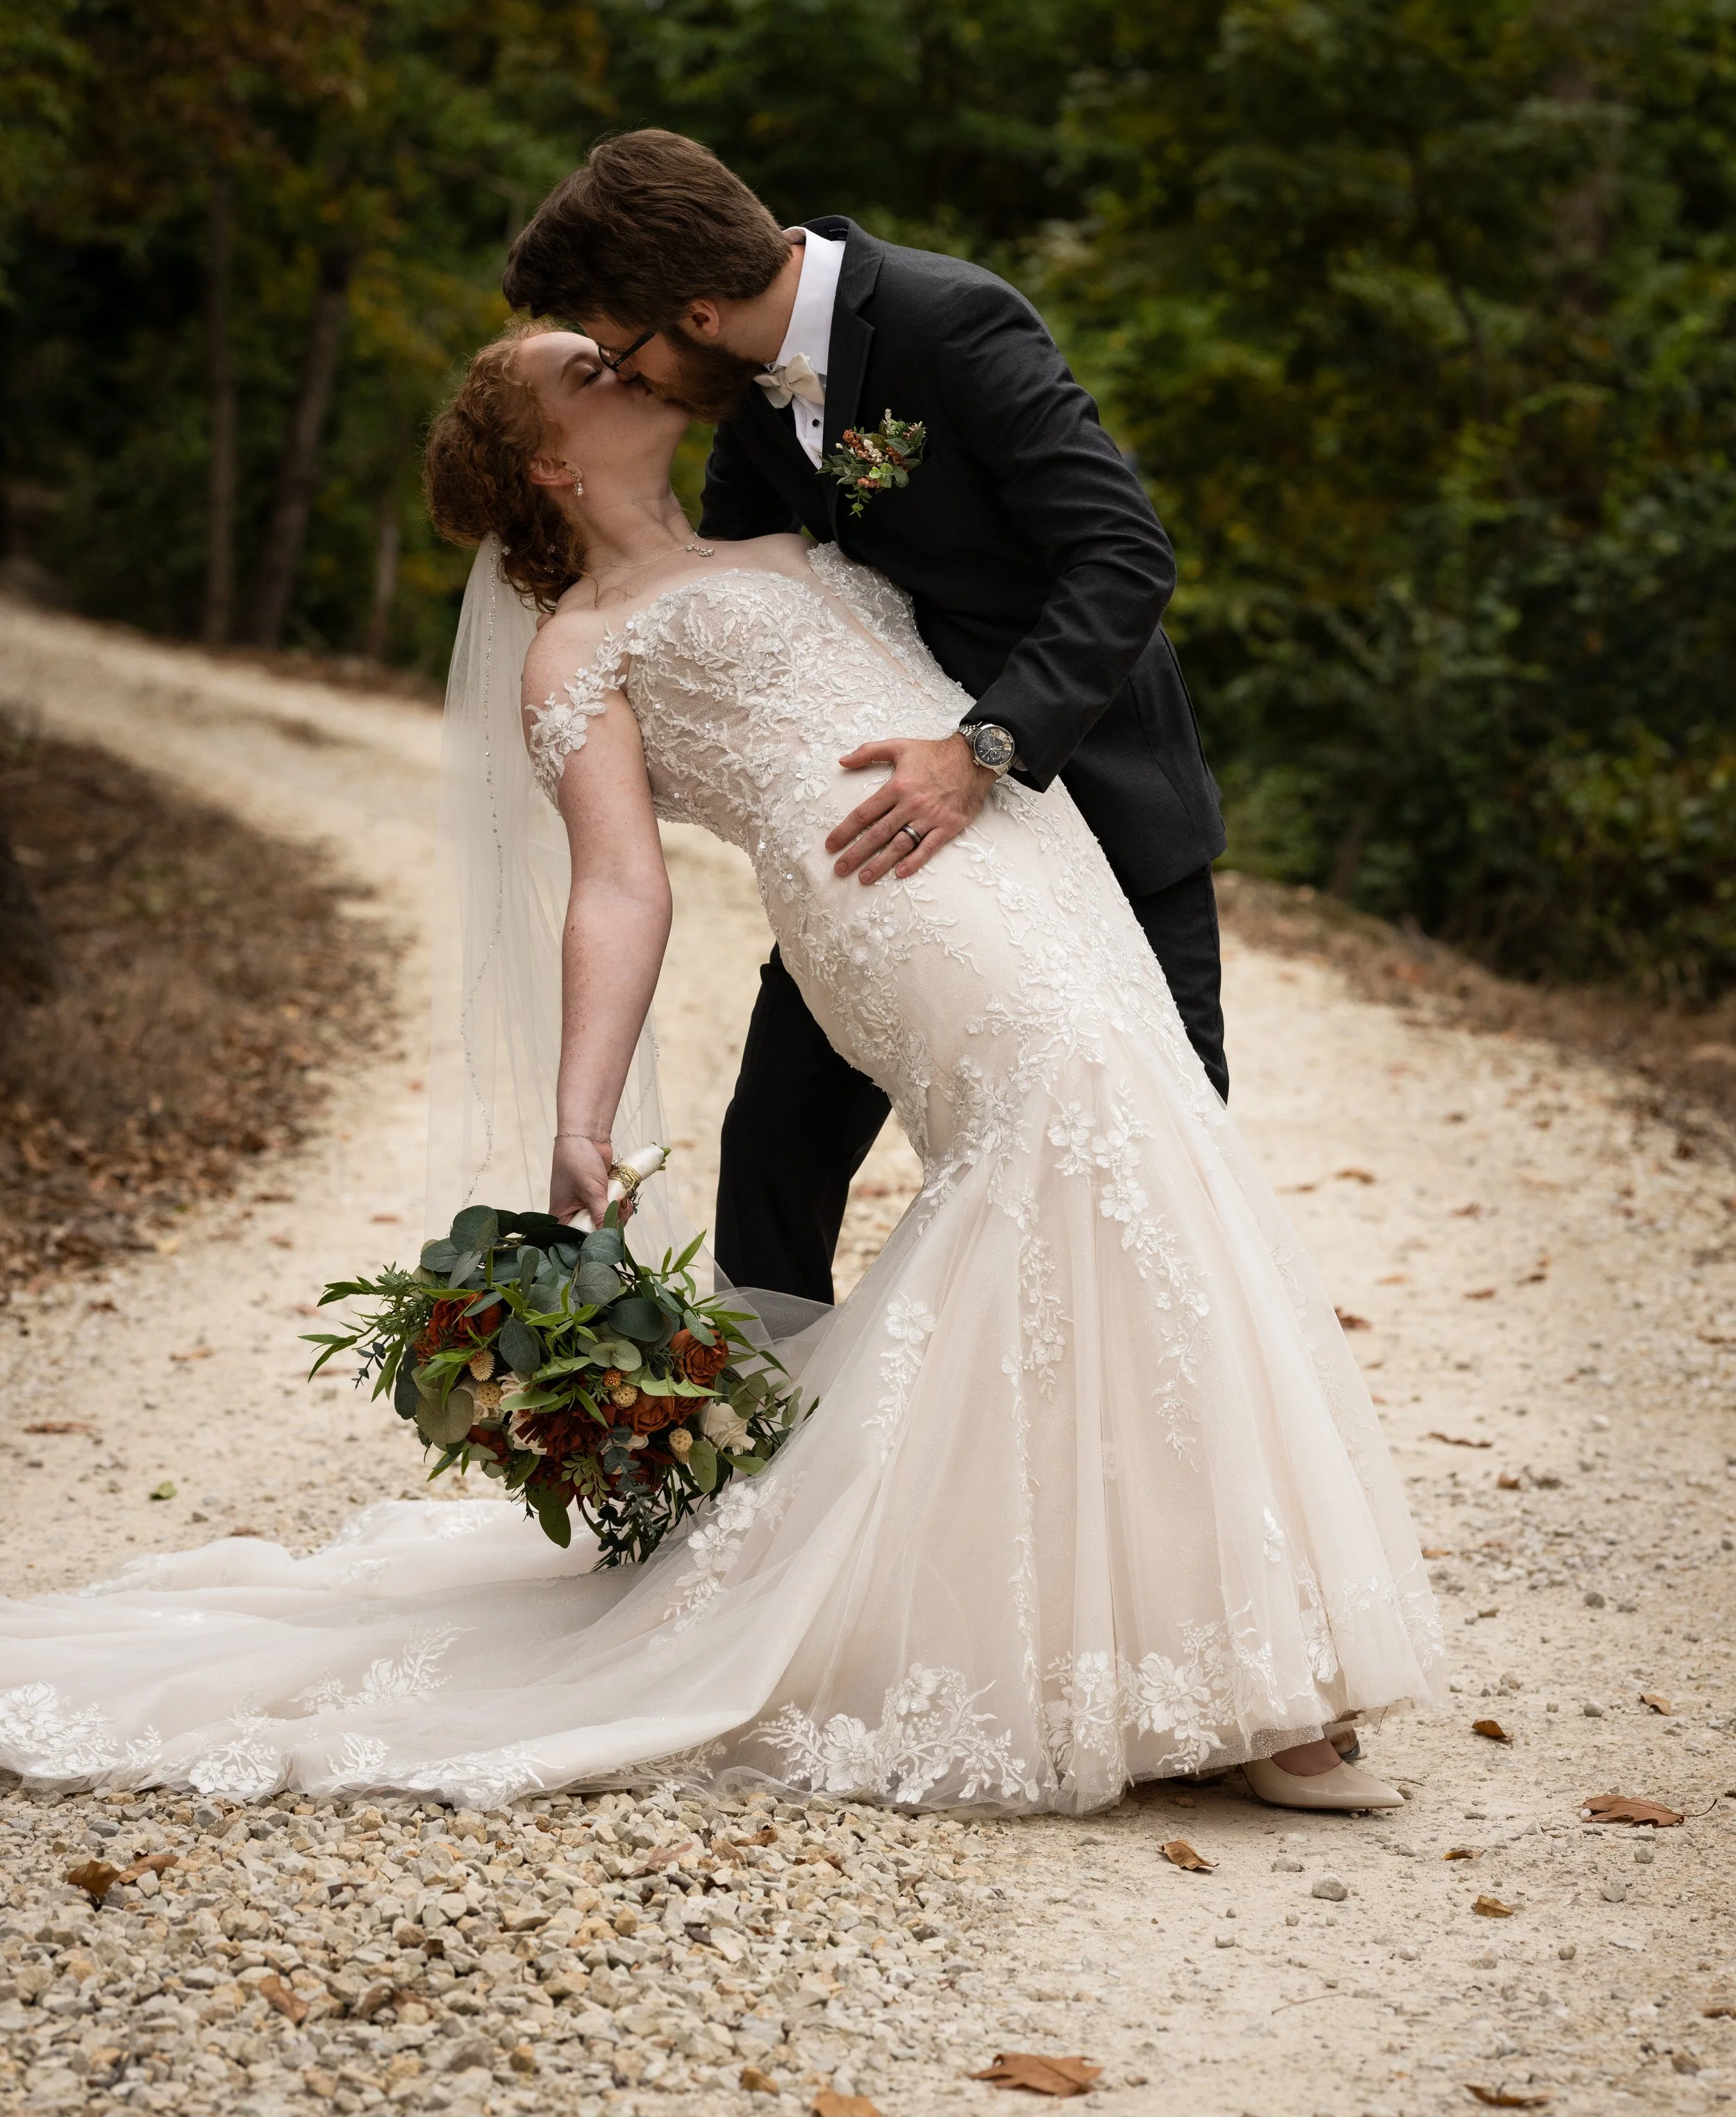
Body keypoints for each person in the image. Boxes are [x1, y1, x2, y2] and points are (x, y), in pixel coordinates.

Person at [0, 324, 1441, 1815]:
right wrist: (581, 1111)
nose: (624, 363)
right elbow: (620, 885)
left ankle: (1204, 1645)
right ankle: (1248, 1676)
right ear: (549, 460)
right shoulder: (579, 648)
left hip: (1030, 849)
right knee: (1072, 1141)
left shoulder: (792, 531)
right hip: (893, 897)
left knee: (1141, 1162)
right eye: (583, 369)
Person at [501, 131, 1229, 1309]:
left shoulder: (951, 319)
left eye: (622, 354)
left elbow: (1123, 555)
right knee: (774, 1176)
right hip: (885, 849)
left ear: (692, 312)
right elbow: (728, 592)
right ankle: (772, 1458)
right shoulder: (740, 397)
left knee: (1163, 1167)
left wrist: (982, 749)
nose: (629, 384)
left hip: (1087, 793)